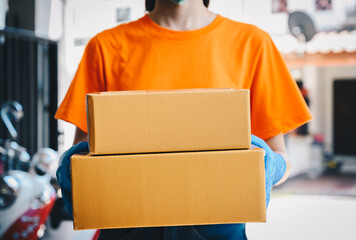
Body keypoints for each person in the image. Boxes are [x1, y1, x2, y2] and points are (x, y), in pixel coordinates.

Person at [55, 0, 312, 239]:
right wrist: (74, 171)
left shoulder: (253, 44)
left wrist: (272, 167)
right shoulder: (105, 47)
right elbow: (83, 159)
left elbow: (282, 157)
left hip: (219, 230)